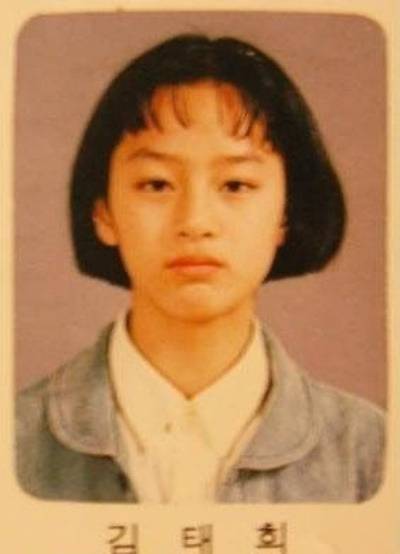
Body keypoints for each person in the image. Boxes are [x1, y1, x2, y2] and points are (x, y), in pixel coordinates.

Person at [16, 34, 384, 503]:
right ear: (103, 212)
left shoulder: (370, 453)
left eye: (235, 185)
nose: (195, 222)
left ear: (286, 214)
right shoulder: (16, 440)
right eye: (156, 184)